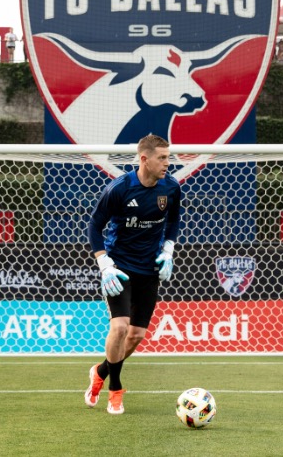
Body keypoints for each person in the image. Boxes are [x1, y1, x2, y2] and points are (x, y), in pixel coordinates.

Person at [85, 134, 182, 415]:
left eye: (168, 156)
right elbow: (94, 226)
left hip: (149, 269)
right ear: (144, 159)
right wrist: (104, 264)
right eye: (162, 158)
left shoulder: (171, 187)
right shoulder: (120, 188)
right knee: (119, 328)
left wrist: (168, 249)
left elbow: (174, 219)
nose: (168, 163)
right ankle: (115, 390)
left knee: (137, 335)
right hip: (120, 269)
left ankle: (100, 371)